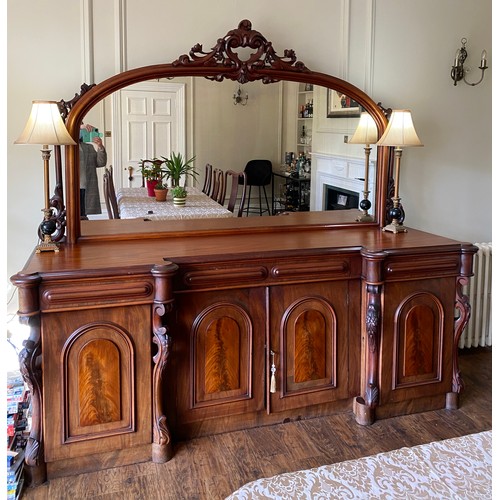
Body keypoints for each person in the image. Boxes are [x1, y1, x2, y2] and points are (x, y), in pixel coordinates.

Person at [79, 123, 107, 218]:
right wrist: (79, 127)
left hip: (87, 187)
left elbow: (100, 163)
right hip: (73, 188)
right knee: (75, 216)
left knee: (83, 216)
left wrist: (100, 147)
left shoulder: (88, 147)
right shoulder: (68, 147)